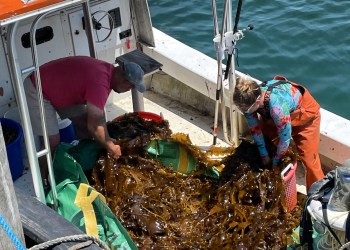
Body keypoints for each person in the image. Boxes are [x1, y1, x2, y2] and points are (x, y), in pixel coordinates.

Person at [24, 56, 145, 182]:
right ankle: (43, 180)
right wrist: (110, 146)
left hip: (61, 89)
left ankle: (81, 160)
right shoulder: (100, 82)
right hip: (38, 87)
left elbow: (97, 118)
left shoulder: (109, 74)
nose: (128, 90)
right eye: (130, 87)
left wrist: (107, 139)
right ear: (124, 80)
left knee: (84, 125)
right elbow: (95, 125)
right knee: (52, 141)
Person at [233, 75, 325, 190]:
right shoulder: (248, 102)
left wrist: (275, 163)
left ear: (257, 101)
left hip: (305, 118)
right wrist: (264, 156)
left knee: (310, 161)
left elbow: (284, 140)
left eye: (245, 110)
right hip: (273, 118)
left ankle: (319, 195)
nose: (243, 112)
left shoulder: (277, 107)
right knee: (267, 145)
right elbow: (256, 131)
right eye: (240, 108)